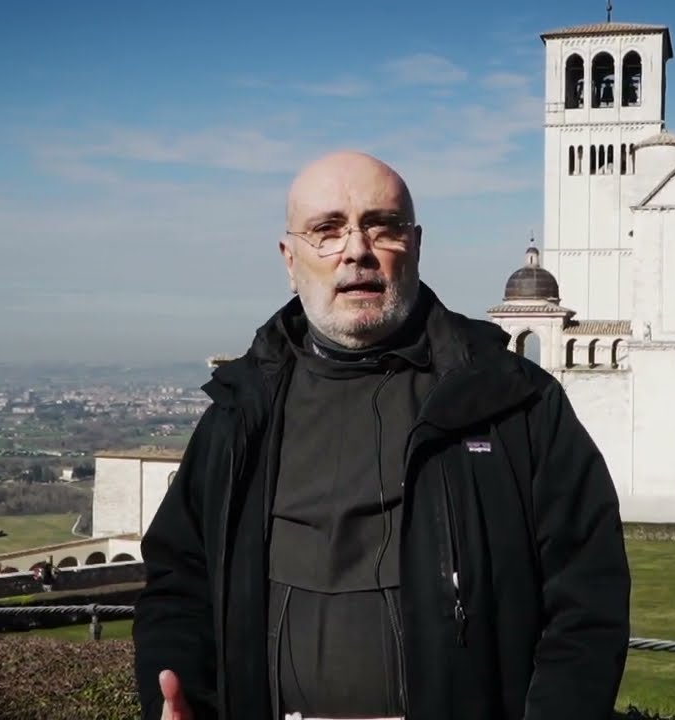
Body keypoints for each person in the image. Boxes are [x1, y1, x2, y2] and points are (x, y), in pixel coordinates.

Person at [132, 150, 631, 720]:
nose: (357, 250)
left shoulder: (513, 400)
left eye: (382, 227)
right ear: (289, 258)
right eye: (327, 230)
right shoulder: (240, 411)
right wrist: (174, 697)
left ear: (414, 245)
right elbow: (178, 581)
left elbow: (588, 598)